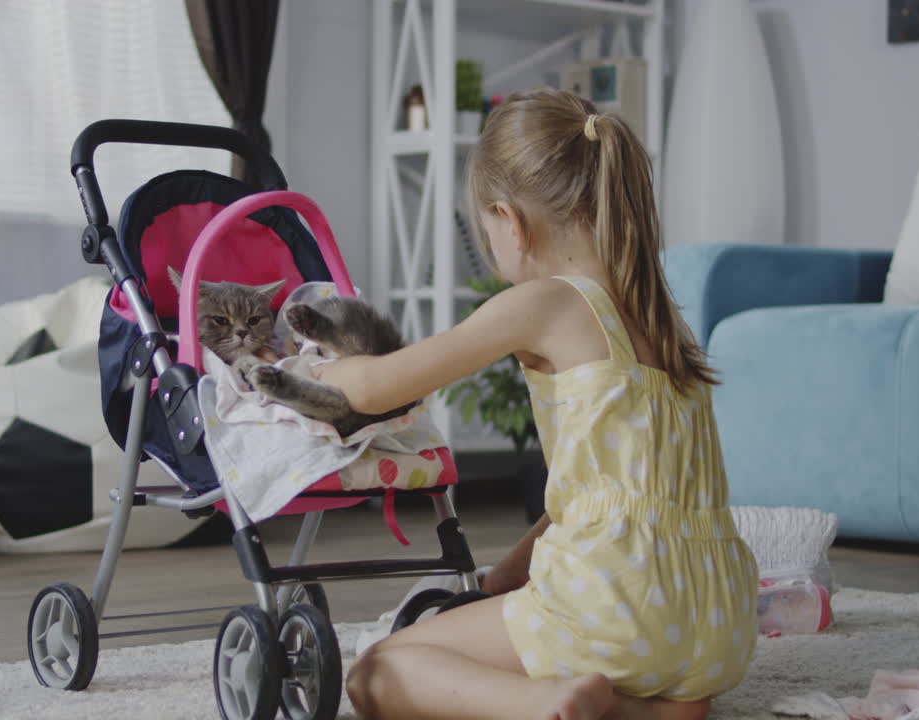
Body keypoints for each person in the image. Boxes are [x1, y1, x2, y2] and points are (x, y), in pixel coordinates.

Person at [317, 88, 759, 720]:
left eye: (487, 229)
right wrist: (502, 580)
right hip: (718, 625)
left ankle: (543, 701)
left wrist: (326, 369)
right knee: (639, 639)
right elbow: (604, 502)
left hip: (614, 610)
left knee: (375, 674)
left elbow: (381, 387)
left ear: (510, 219)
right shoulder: (664, 323)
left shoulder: (544, 303)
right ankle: (657, 707)